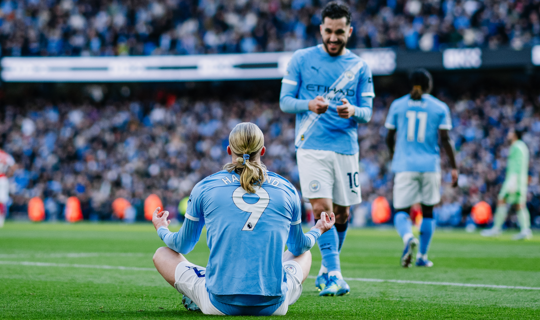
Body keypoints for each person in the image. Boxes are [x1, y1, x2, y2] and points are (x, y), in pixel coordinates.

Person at [151, 122, 335, 316]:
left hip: (219, 303)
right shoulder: (287, 189)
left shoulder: (205, 186)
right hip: (274, 306)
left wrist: (161, 228)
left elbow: (182, 245)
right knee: (304, 254)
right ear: (262, 150)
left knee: (162, 254)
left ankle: (202, 290)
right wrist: (318, 229)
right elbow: (299, 247)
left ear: (229, 149)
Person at [278, 1, 374, 296]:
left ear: (350, 31)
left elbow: (368, 112)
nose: (333, 38)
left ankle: (325, 269)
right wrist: (309, 104)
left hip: (345, 148)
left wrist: (353, 111)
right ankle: (335, 274)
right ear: (321, 29)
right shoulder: (301, 58)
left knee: (342, 214)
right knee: (322, 209)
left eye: (339, 32)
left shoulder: (359, 66)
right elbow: (284, 101)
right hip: (311, 146)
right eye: (329, 31)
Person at [385, 69, 458, 268]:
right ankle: (423, 256)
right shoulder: (439, 107)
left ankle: (408, 237)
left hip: (405, 165)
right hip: (430, 166)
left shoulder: (398, 105)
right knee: (428, 211)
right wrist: (454, 167)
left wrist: (394, 155)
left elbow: (389, 137)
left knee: (401, 210)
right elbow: (445, 139)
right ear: (429, 85)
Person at [481, 128, 532, 240]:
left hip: (514, 179)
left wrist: (513, 181)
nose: (508, 134)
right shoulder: (522, 146)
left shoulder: (516, 147)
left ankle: (496, 228)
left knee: (501, 199)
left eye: (510, 132)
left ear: (515, 135)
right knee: (519, 204)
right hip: (520, 179)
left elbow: (516, 166)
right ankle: (525, 230)